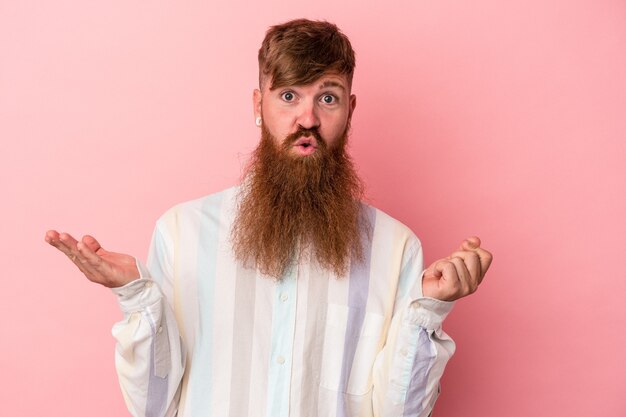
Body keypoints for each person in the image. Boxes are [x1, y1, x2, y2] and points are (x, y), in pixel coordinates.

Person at [45, 18, 492, 417]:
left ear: (350, 111)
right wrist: (135, 296)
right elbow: (152, 407)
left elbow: (399, 412)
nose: (308, 118)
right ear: (258, 106)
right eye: (289, 96)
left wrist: (429, 309)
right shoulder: (182, 232)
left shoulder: (395, 248)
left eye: (328, 98)